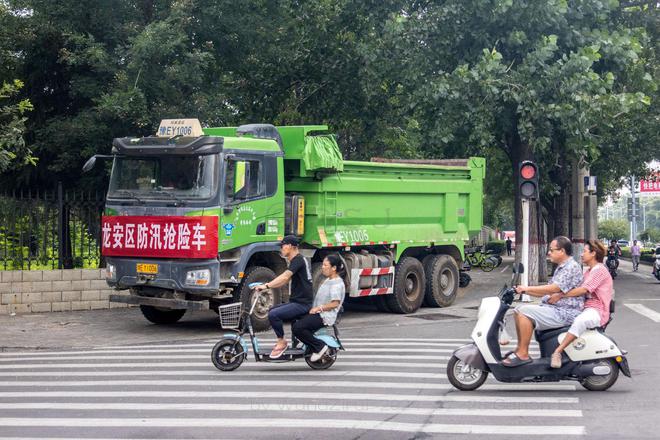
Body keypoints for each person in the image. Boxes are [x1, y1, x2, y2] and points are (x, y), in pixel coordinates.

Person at [503, 236, 583, 367]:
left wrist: (527, 288)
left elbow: (554, 288)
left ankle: (523, 353)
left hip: (565, 313)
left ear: (562, 251)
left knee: (522, 311)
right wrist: (523, 291)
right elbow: (548, 291)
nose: (549, 253)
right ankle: (520, 350)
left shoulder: (571, 267)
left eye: (552, 250)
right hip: (556, 309)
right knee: (520, 309)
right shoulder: (563, 267)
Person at [548, 239, 612, 368]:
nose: (582, 254)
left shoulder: (600, 270)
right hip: (586, 307)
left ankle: (557, 352)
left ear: (593, 253)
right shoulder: (588, 271)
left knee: (580, 321)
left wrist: (560, 295)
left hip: (596, 310)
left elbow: (584, 290)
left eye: (585, 251)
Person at [254, 235, 313, 359]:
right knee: (272, 310)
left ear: (290, 246)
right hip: (299, 302)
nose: (281, 248)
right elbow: (283, 281)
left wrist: (266, 286)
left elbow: (285, 277)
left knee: (274, 315)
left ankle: (281, 341)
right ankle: (286, 341)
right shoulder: (298, 260)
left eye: (282, 246)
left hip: (302, 304)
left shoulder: (298, 260)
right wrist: (267, 286)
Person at [292, 254, 347, 362]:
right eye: (323, 264)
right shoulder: (330, 279)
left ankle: (319, 346)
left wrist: (318, 308)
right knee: (295, 318)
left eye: (325, 265)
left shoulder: (336, 283)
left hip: (324, 316)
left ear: (334, 268)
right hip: (319, 313)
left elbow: (335, 303)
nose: (322, 267)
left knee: (298, 328)